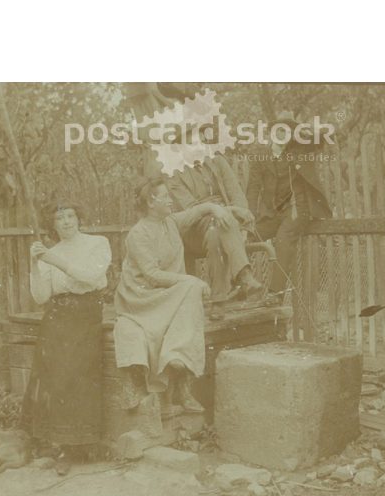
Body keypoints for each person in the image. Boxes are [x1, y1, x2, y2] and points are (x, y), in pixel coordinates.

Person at [114, 177, 232, 416]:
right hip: (141, 296)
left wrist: (215, 207)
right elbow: (151, 275)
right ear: (150, 202)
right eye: (165, 196)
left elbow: (195, 212)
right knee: (190, 289)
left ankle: (179, 364)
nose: (170, 200)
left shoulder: (171, 222)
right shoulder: (138, 234)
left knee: (189, 295)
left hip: (167, 293)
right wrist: (190, 279)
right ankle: (178, 368)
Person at [21, 201, 112, 476]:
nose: (66, 222)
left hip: (86, 316)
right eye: (60, 218)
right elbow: (40, 297)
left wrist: (53, 260)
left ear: (79, 219)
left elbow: (90, 277)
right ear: (53, 224)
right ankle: (61, 447)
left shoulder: (98, 244)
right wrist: (36, 264)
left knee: (80, 377)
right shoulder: (51, 253)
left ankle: (85, 445)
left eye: (71, 216)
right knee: (55, 379)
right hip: (57, 318)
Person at [246, 115, 332, 302]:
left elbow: (322, 138)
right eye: (278, 130)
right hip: (271, 213)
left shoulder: (300, 151)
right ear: (270, 133)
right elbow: (253, 188)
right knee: (245, 238)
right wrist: (249, 217)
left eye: (286, 131)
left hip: (297, 209)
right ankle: (240, 286)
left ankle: (275, 293)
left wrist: (301, 131)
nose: (282, 134)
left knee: (284, 240)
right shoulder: (260, 156)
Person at [165, 152, 262, 316]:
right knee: (216, 224)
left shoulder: (217, 161)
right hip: (194, 230)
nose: (198, 144)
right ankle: (244, 276)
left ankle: (219, 301)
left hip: (222, 226)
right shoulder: (173, 172)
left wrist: (242, 225)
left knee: (215, 232)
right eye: (191, 140)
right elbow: (192, 210)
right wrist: (228, 210)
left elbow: (237, 195)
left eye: (200, 137)